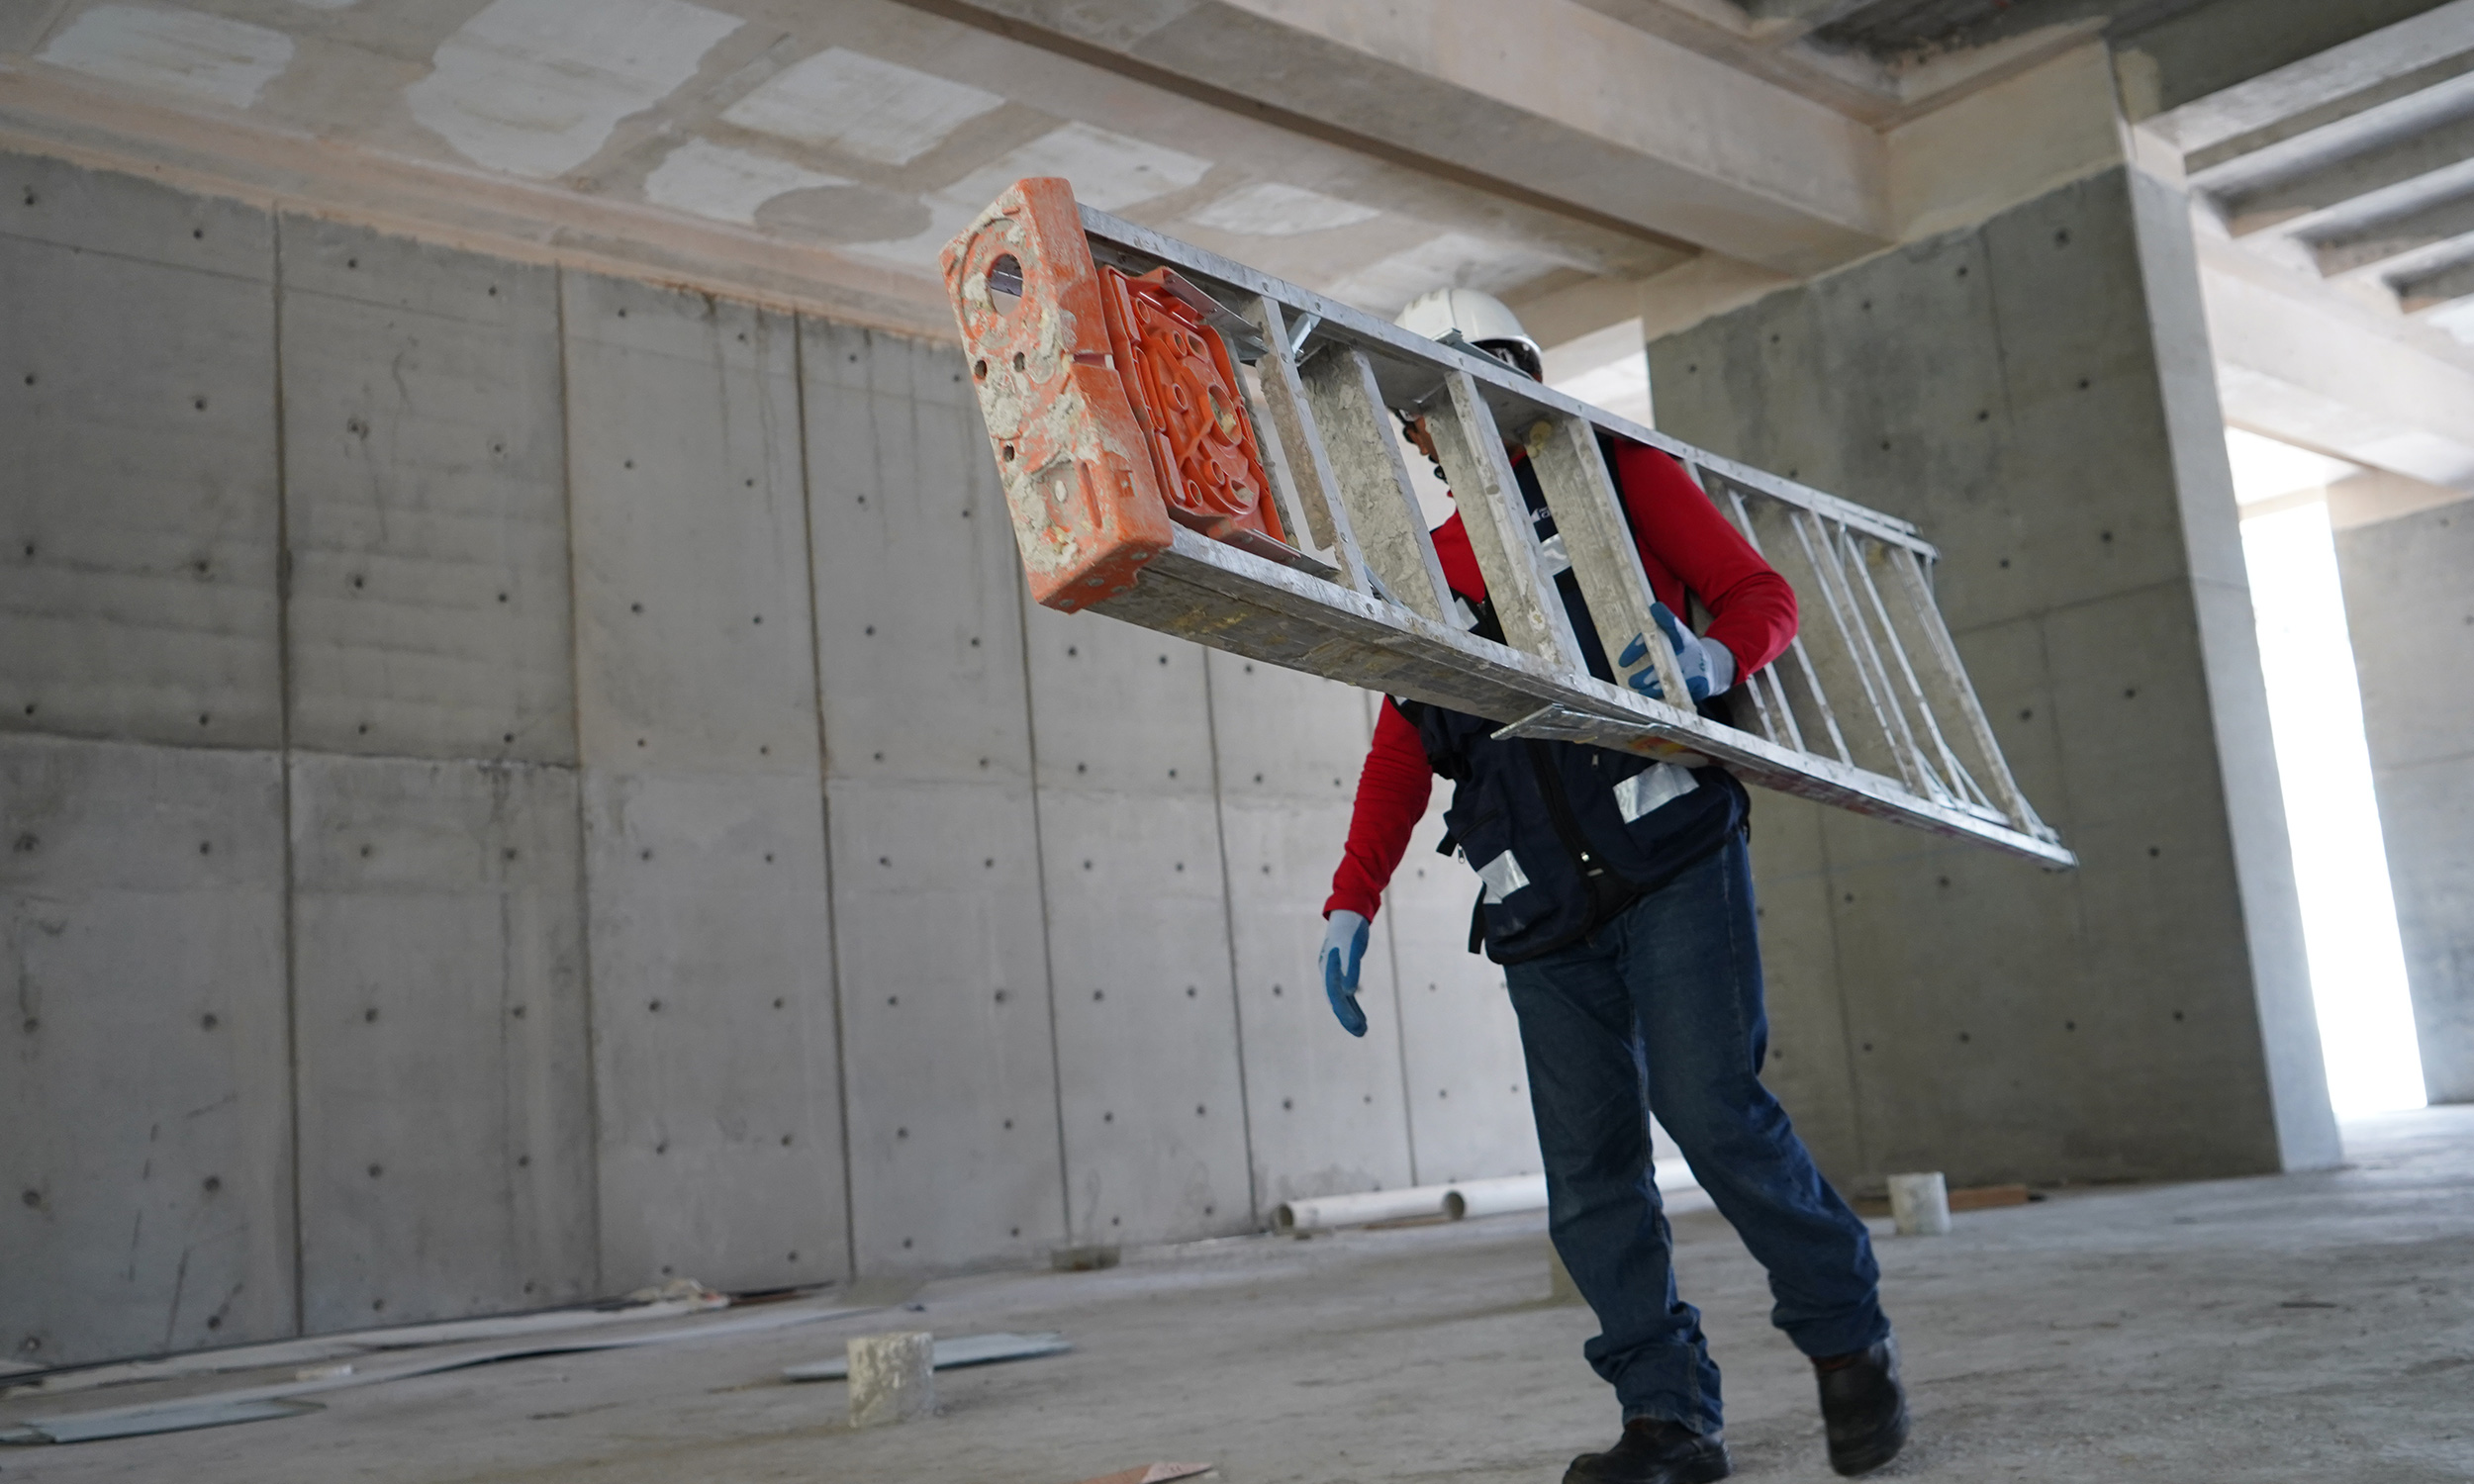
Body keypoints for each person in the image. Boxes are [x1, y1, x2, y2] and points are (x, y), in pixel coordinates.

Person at [1318, 287, 1909, 1483]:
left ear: (1521, 380)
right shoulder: (1426, 565)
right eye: (1421, 410)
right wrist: (1351, 897)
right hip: (1537, 905)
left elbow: (1761, 597)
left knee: (1712, 1110)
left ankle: (1847, 1340)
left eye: (1461, 389)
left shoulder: (1619, 476)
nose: (1440, 426)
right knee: (1588, 1178)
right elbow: (1403, 743)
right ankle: (1667, 1419)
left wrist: (1712, 657)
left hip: (1669, 854)